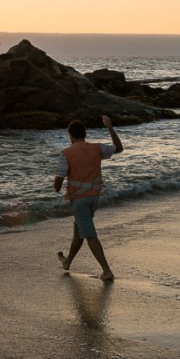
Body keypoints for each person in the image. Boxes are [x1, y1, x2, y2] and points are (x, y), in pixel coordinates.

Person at [53, 115, 123, 280]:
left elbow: (59, 177)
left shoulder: (67, 153)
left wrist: (56, 188)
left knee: (90, 235)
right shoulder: (97, 148)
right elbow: (118, 148)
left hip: (80, 200)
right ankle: (67, 261)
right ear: (85, 134)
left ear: (71, 136)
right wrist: (109, 127)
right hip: (94, 198)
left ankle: (107, 270)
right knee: (79, 231)